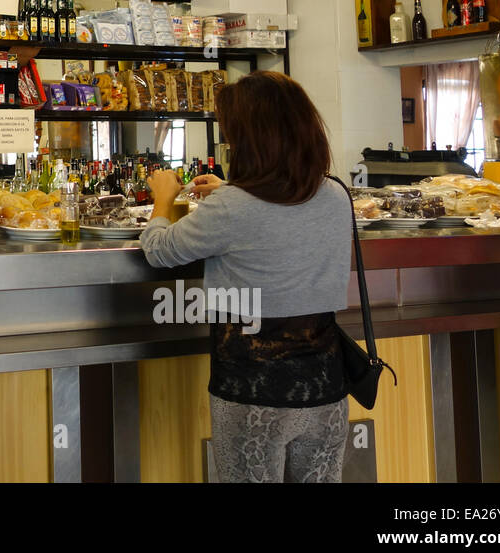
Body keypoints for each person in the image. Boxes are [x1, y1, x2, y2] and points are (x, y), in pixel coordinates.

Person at [138, 71, 351, 483]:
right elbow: (280, 214)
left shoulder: (233, 207)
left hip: (252, 391)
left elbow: (159, 250)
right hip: (325, 388)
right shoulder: (337, 194)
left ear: (252, 141)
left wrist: (163, 200)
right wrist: (231, 192)